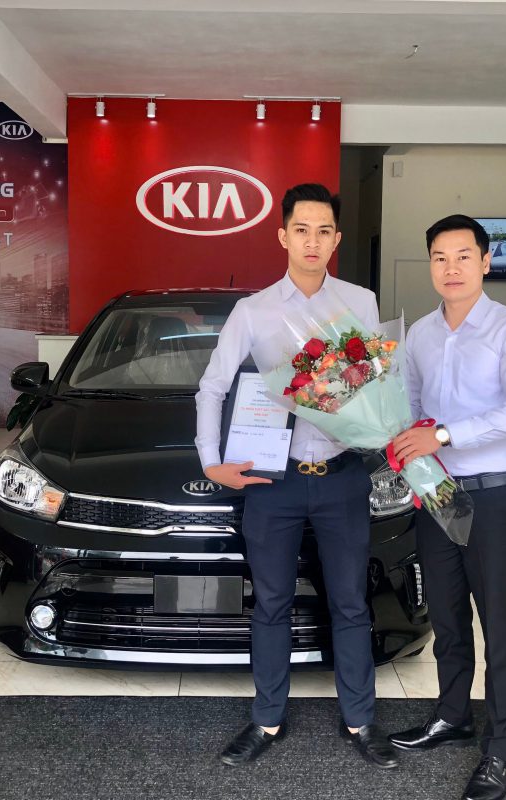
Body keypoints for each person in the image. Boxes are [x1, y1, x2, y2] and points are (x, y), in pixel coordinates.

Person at [195, 183, 399, 770]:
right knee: (271, 604)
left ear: (337, 240)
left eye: (324, 231)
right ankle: (266, 718)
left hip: (341, 477)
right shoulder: (254, 310)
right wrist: (211, 459)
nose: (313, 241)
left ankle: (360, 720)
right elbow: (213, 385)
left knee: (351, 603)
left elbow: (374, 384)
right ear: (282, 236)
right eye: (302, 230)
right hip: (273, 481)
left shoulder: (359, 302)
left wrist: (378, 420)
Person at [387, 215, 506, 800]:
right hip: (437, 492)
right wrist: (397, 438)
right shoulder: (421, 335)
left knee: (500, 622)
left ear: (485, 261)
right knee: (447, 615)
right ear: (429, 264)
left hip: (492, 494)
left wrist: (445, 435)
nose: (450, 268)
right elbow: (412, 404)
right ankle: (453, 715)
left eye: (462, 256)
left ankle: (501, 748)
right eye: (439, 257)